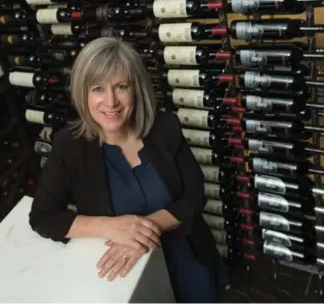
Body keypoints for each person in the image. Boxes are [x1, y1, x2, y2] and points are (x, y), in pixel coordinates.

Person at [29, 37, 221, 302]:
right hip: (125, 278)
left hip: (187, 258)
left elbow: (195, 194)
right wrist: (110, 227)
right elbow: (43, 217)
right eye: (97, 88)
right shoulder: (69, 145)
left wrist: (143, 229)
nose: (111, 102)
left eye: (121, 87)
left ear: (136, 89)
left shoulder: (165, 127)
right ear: (82, 93)